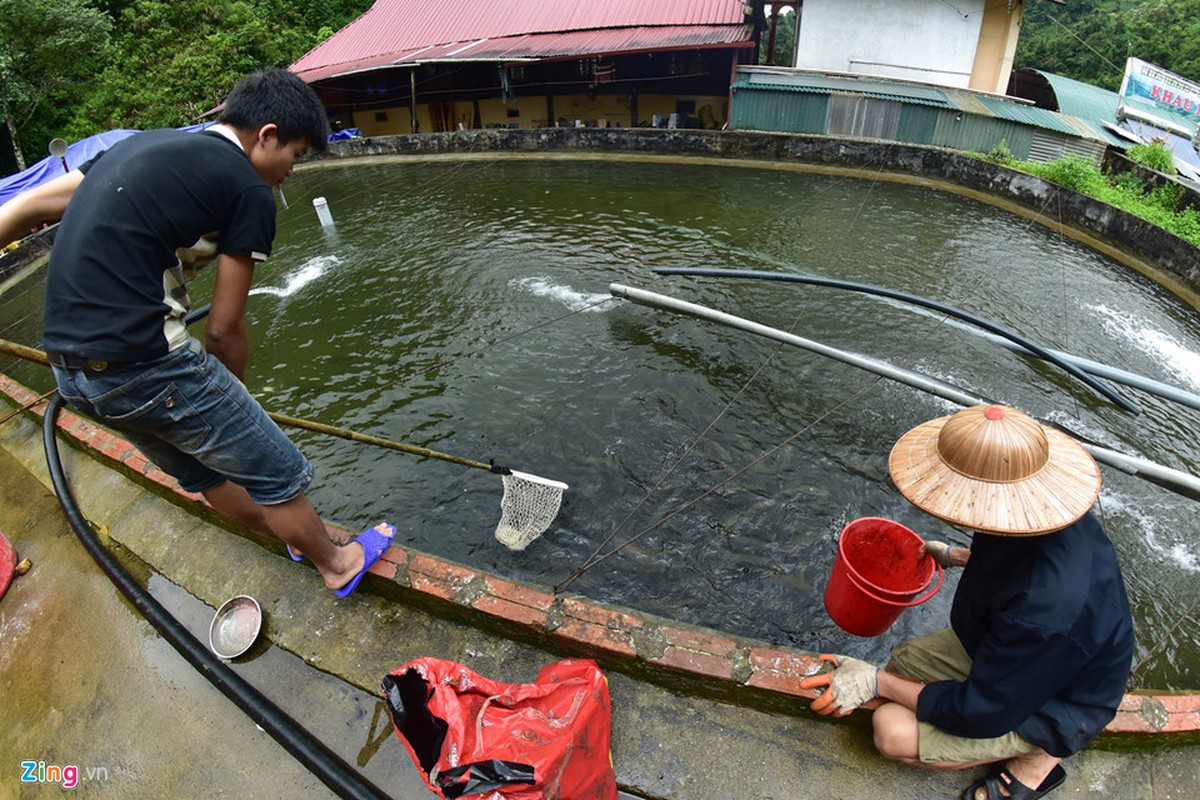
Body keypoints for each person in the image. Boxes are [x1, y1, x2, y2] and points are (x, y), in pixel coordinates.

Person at [0, 69, 393, 597]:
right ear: (267, 135)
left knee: (206, 474)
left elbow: (25, 207)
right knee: (276, 469)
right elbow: (226, 330)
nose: (291, 173)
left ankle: (295, 540)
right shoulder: (249, 189)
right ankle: (337, 562)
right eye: (295, 155)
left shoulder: (137, 148)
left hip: (73, 374)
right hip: (145, 362)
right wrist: (231, 402)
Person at [801, 404, 1134, 800]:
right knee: (906, 659)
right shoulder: (1040, 511)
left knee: (891, 728)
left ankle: (1039, 755)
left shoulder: (1044, 611)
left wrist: (875, 681)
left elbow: (982, 710)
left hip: (1060, 696)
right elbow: (1024, 565)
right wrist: (957, 555)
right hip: (1024, 648)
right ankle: (922, 700)